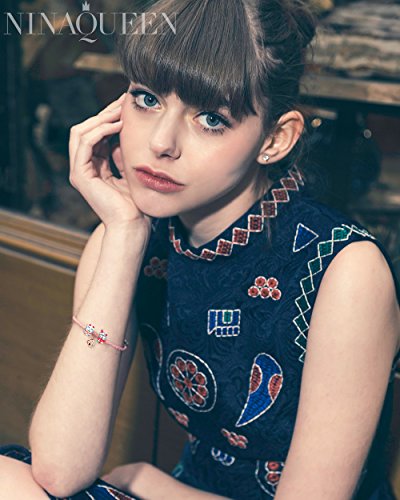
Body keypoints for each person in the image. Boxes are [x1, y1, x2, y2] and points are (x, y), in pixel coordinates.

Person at [1, 0, 400, 498]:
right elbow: (60, 469)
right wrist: (123, 237)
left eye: (210, 118)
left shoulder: (344, 270)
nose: (161, 142)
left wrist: (148, 482)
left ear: (275, 139)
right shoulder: (134, 233)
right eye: (147, 99)